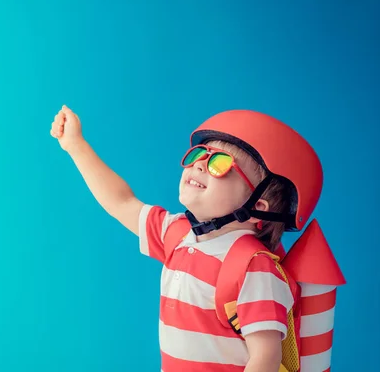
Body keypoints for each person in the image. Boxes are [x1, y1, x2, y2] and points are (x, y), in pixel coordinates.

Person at [49, 105, 324, 372]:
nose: (201, 165)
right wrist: (75, 145)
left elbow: (265, 358)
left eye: (220, 164)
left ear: (257, 208)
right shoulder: (178, 235)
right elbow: (121, 202)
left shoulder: (254, 268)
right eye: (200, 154)